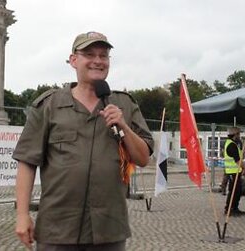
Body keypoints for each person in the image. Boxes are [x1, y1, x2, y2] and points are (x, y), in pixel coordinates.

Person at [12, 31, 154, 250]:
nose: (98, 60)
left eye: (103, 55)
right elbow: (27, 162)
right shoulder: (49, 105)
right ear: (73, 60)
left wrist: (123, 126)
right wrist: (22, 215)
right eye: (89, 54)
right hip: (57, 230)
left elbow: (143, 158)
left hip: (109, 229)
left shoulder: (124, 105)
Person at [223, 127, 245, 216]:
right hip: (232, 172)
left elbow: (239, 157)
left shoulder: (234, 144)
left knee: (238, 191)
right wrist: (244, 168)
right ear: (235, 135)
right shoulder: (231, 145)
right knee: (233, 191)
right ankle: (229, 209)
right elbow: (237, 160)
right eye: (238, 134)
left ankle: (235, 207)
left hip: (236, 171)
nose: (239, 136)